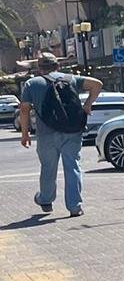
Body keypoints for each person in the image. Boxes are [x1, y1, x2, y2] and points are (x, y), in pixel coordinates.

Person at [18, 54, 101, 217]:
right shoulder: (71, 79)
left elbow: (24, 109)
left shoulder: (32, 84)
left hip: (46, 134)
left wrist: (25, 133)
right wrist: (87, 105)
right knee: (73, 166)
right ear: (57, 66)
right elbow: (97, 84)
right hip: (72, 131)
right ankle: (75, 206)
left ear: (40, 68)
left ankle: (46, 199)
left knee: (48, 168)